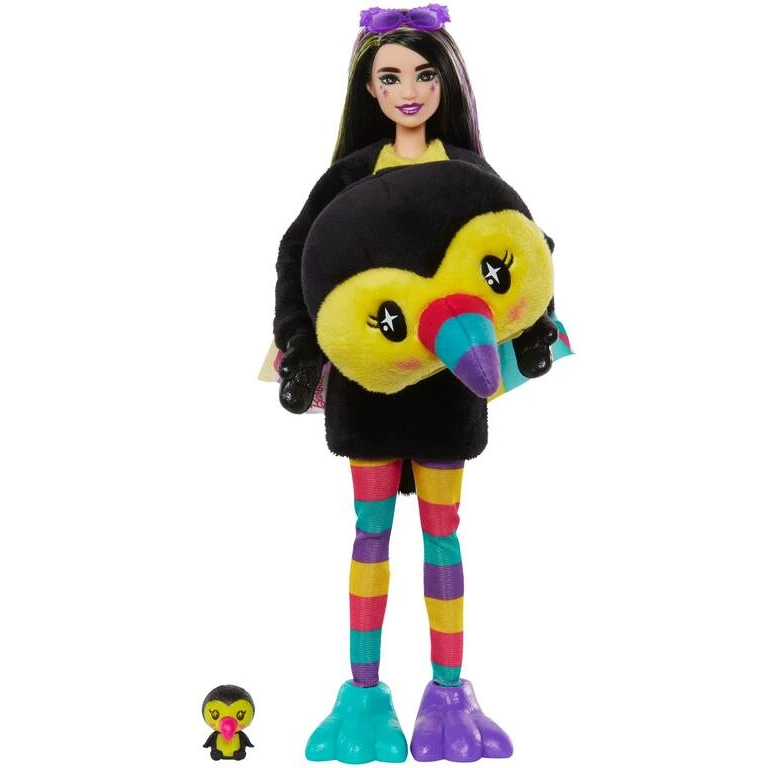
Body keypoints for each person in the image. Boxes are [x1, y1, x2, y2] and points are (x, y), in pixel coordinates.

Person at [272, 6, 559, 762]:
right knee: (369, 534)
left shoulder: (470, 173)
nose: (409, 91)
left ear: (445, 84)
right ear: (368, 88)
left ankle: (449, 694)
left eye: (424, 75)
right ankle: (364, 696)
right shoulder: (348, 176)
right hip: (368, 383)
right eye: (391, 76)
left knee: (442, 533)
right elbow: (296, 257)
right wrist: (300, 344)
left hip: (447, 385)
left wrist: (535, 326)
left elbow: (524, 249)